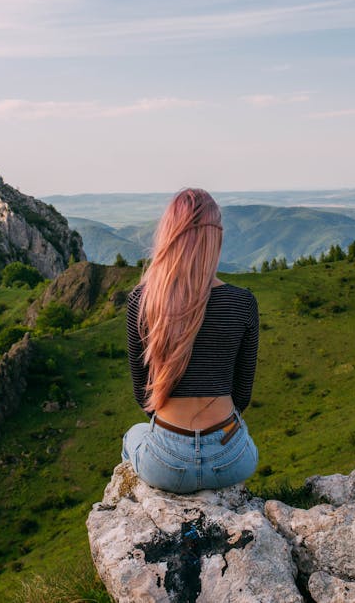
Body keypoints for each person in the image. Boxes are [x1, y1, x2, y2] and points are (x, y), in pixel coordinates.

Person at [121, 187, 259, 494]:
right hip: (232, 459)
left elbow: (142, 394)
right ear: (216, 238)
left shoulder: (142, 301)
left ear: (169, 234)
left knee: (134, 434)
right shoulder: (243, 302)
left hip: (166, 464)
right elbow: (242, 394)